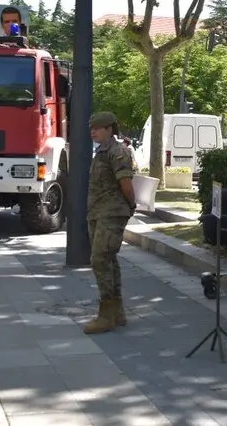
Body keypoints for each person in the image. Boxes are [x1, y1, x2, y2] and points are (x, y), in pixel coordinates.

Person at [83, 112, 137, 334]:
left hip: (112, 213)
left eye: (97, 127)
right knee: (108, 260)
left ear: (109, 129)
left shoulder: (118, 152)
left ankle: (106, 316)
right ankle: (117, 312)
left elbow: (126, 184)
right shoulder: (101, 152)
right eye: (91, 128)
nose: (93, 131)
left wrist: (131, 205)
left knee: (100, 259)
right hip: (98, 213)